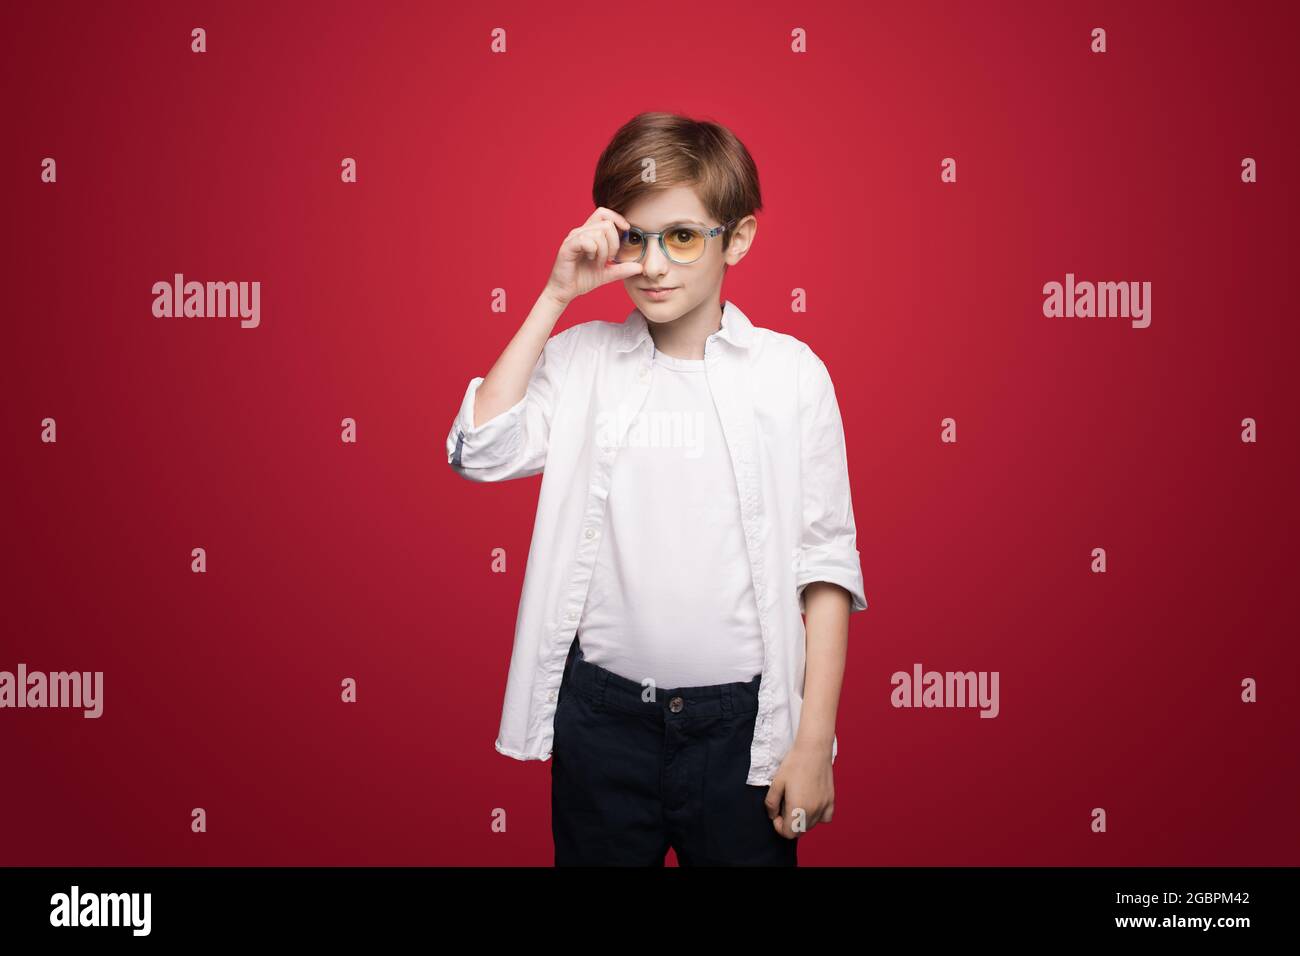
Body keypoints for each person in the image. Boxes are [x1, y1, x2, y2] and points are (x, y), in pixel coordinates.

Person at [446, 112, 868, 865]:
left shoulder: (791, 375)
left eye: (681, 237)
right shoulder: (583, 361)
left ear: (736, 239)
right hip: (604, 721)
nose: (653, 264)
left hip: (742, 730)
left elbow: (826, 566)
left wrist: (813, 743)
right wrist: (554, 297)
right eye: (635, 238)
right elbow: (480, 450)